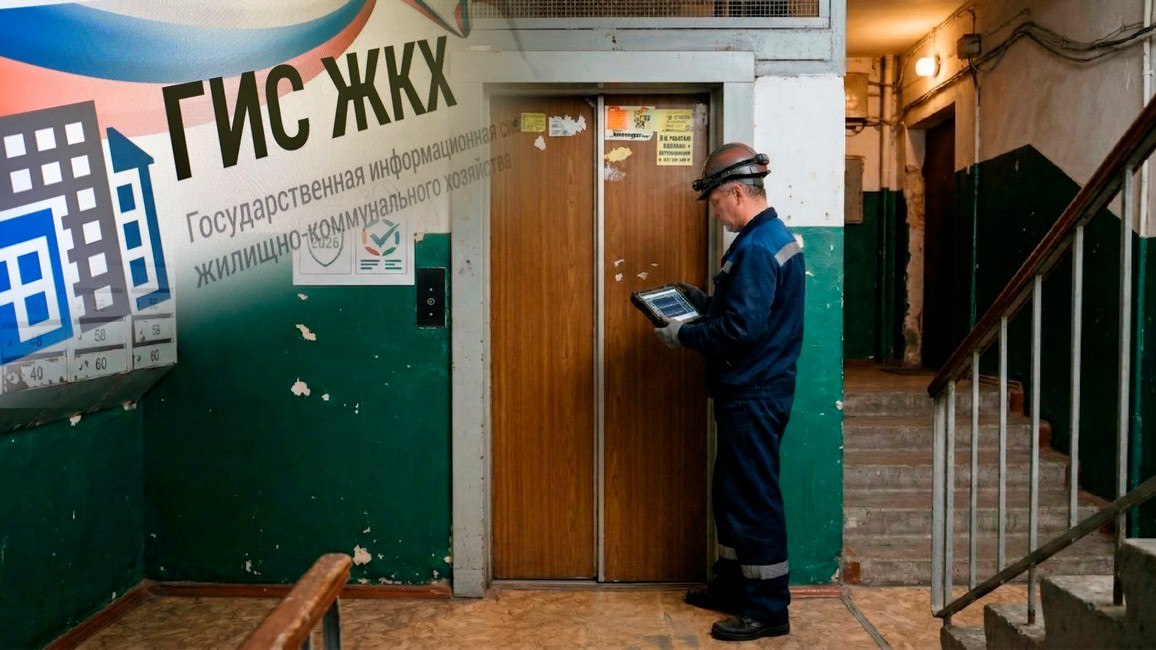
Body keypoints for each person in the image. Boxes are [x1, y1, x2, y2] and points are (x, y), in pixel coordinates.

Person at [654, 142, 805, 642]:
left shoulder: (758, 247)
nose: (715, 213)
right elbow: (748, 314)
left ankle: (767, 610)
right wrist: (705, 303)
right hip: (751, 390)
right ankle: (734, 585)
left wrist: (684, 334)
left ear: (737, 192)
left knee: (753, 499)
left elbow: (741, 331)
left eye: (717, 202)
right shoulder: (764, 239)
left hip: (753, 393)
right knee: (733, 494)